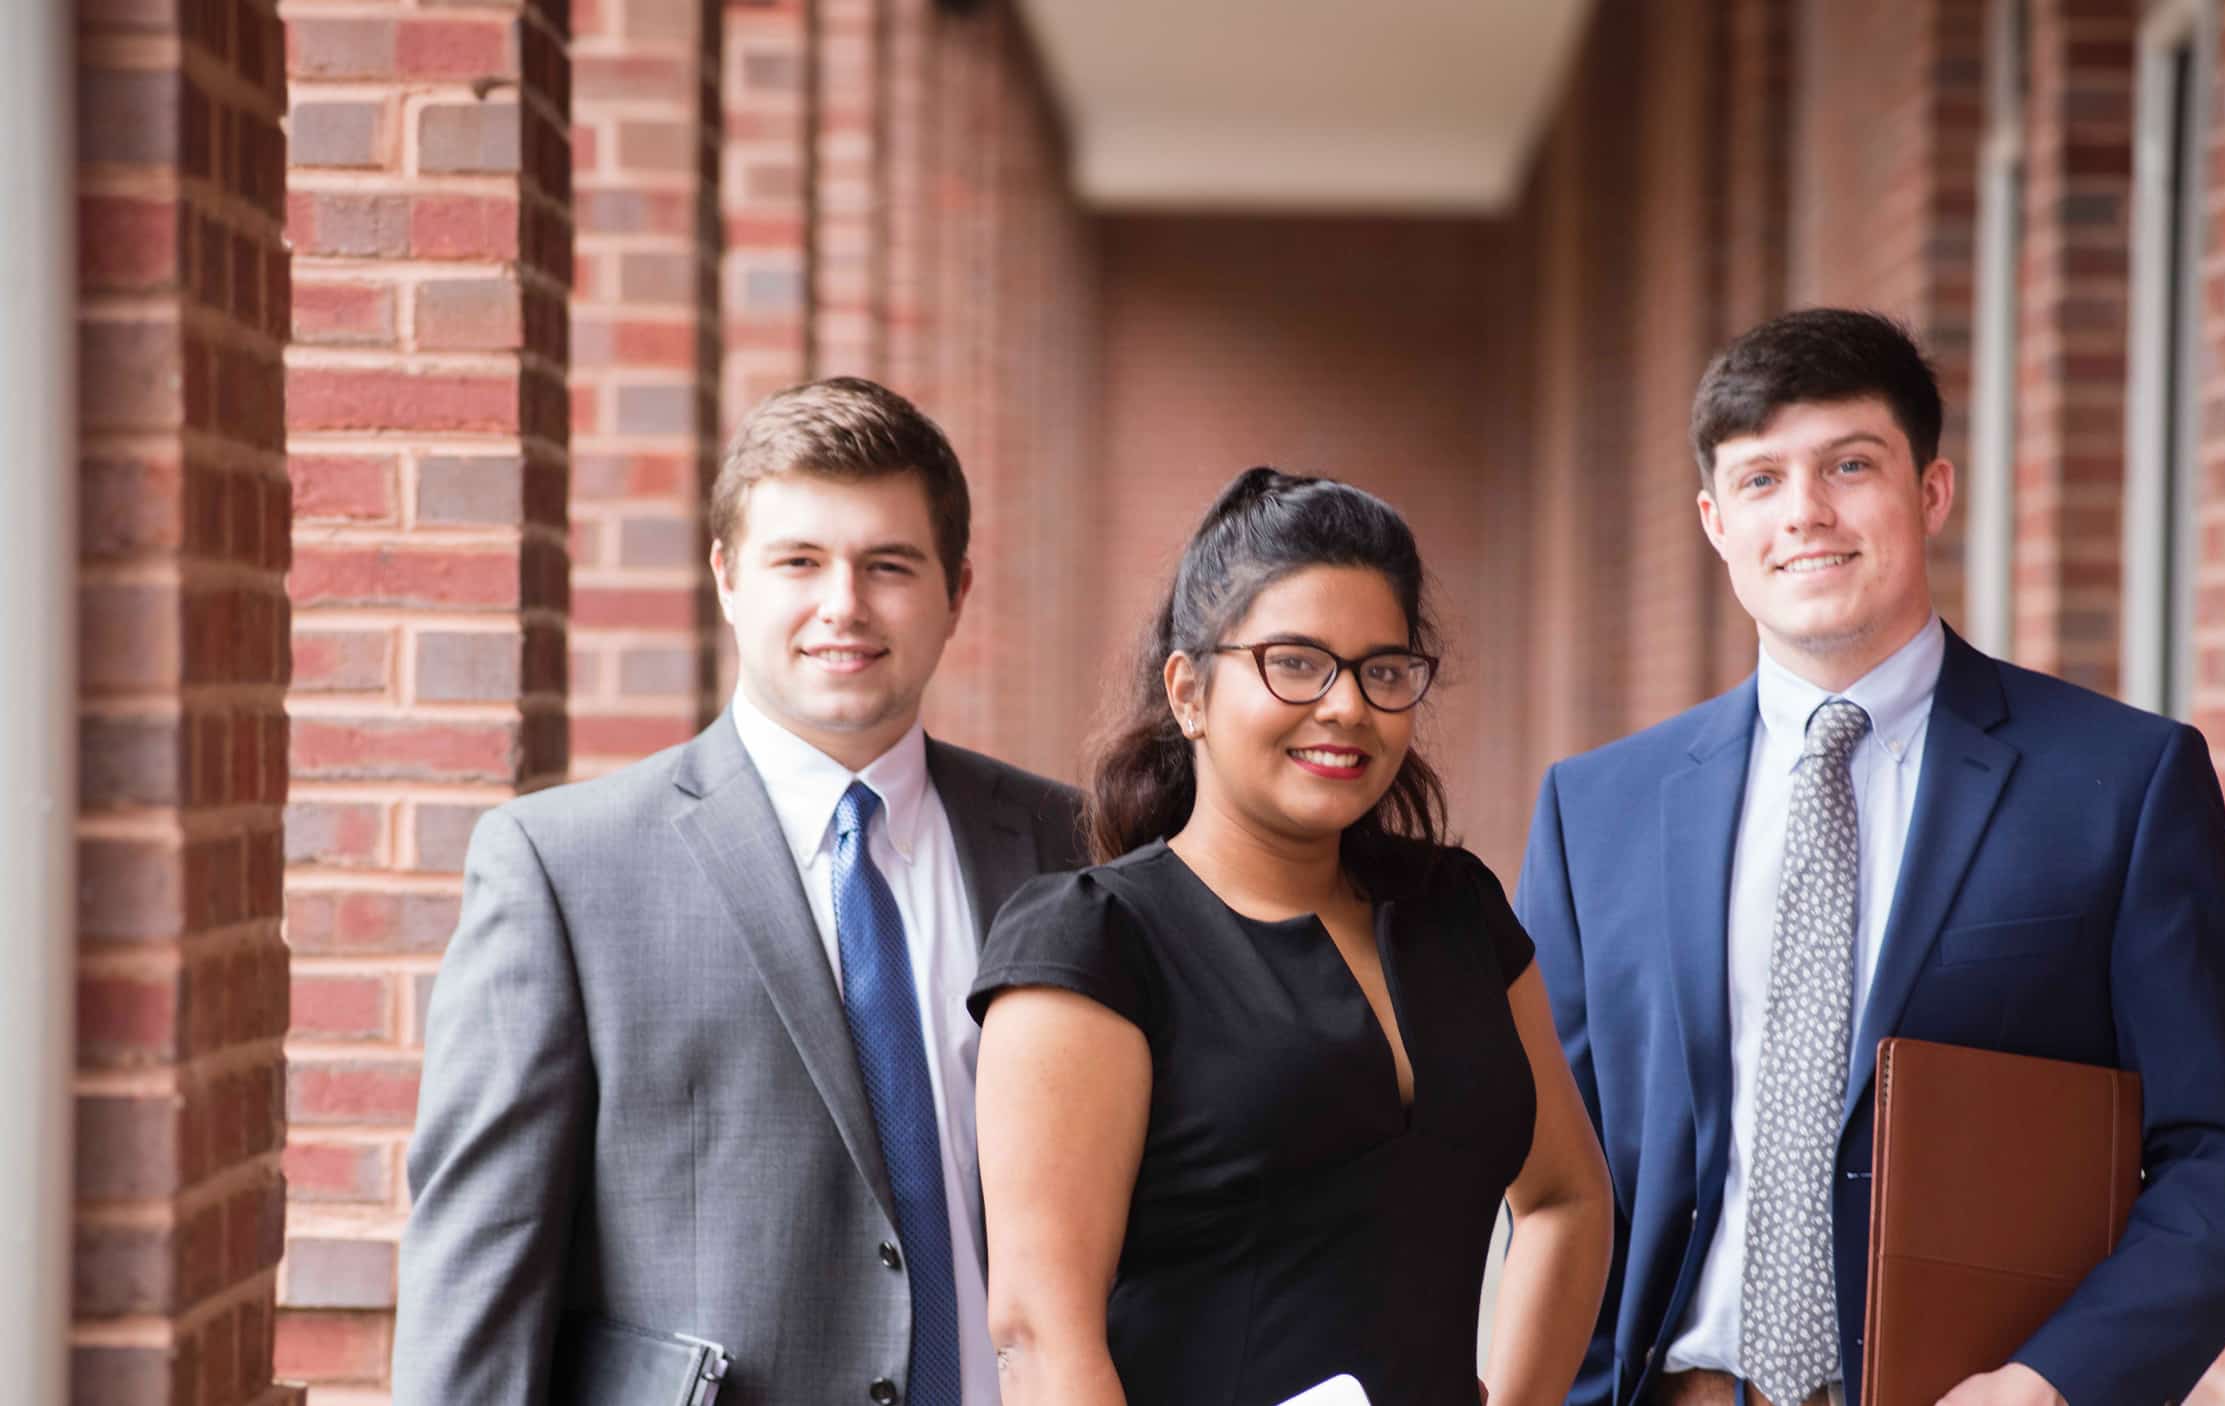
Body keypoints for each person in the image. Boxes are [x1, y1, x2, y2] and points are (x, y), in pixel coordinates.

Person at [1517, 310, 2225, 1406]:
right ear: (1713, 520)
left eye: (1850, 464)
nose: (1804, 512)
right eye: (1760, 480)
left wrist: (2046, 1383)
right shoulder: (1595, 809)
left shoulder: (2121, 785)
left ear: (1931, 491)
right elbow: (1534, 1162)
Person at [393, 377, 1087, 1405]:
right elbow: (478, 1278)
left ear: (957, 590)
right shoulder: (564, 869)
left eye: (888, 564)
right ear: (727, 576)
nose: (842, 603)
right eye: (798, 561)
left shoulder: (1065, 847)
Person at [969, 469, 1615, 1406]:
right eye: (1296, 662)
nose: (1347, 706)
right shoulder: (1096, 945)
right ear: (1188, 692)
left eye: (1382, 670)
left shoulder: (1456, 911)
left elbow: (1566, 1198)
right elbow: (1041, 1336)